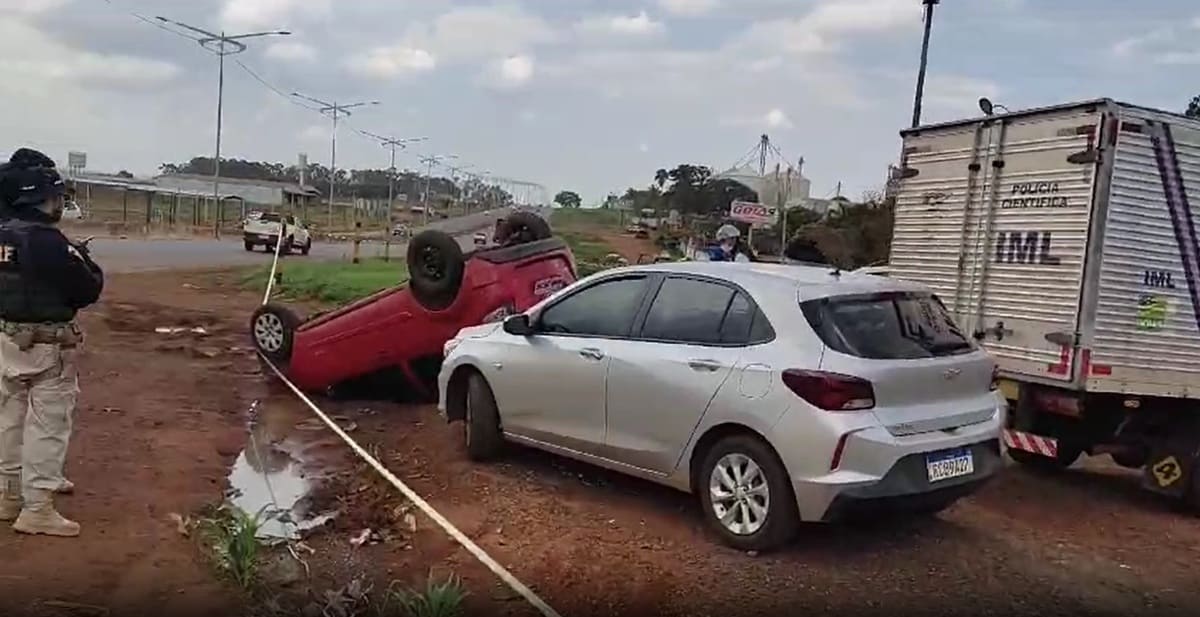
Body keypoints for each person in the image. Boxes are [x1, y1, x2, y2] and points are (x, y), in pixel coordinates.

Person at [0, 148, 103, 537]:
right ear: (44, 199)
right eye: (58, 197)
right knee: (47, 425)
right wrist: (84, 260)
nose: (61, 204)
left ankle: (7, 497)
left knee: (7, 422)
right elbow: (87, 288)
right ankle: (38, 508)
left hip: (7, 339)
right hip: (47, 346)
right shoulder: (47, 241)